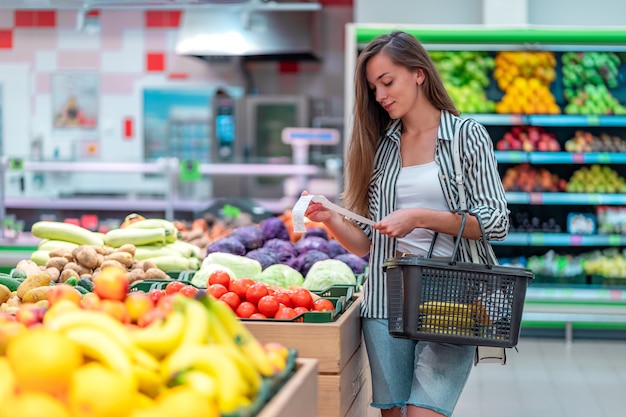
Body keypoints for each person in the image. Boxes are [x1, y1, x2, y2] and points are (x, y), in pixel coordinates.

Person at [303, 31, 509, 417]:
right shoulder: (380, 145)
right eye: (373, 87)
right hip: (386, 300)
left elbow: (496, 221)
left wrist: (419, 218)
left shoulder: (466, 137)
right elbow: (366, 244)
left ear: (418, 74)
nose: (380, 96)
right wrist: (332, 217)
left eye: (387, 82)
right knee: (394, 413)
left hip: (455, 299)